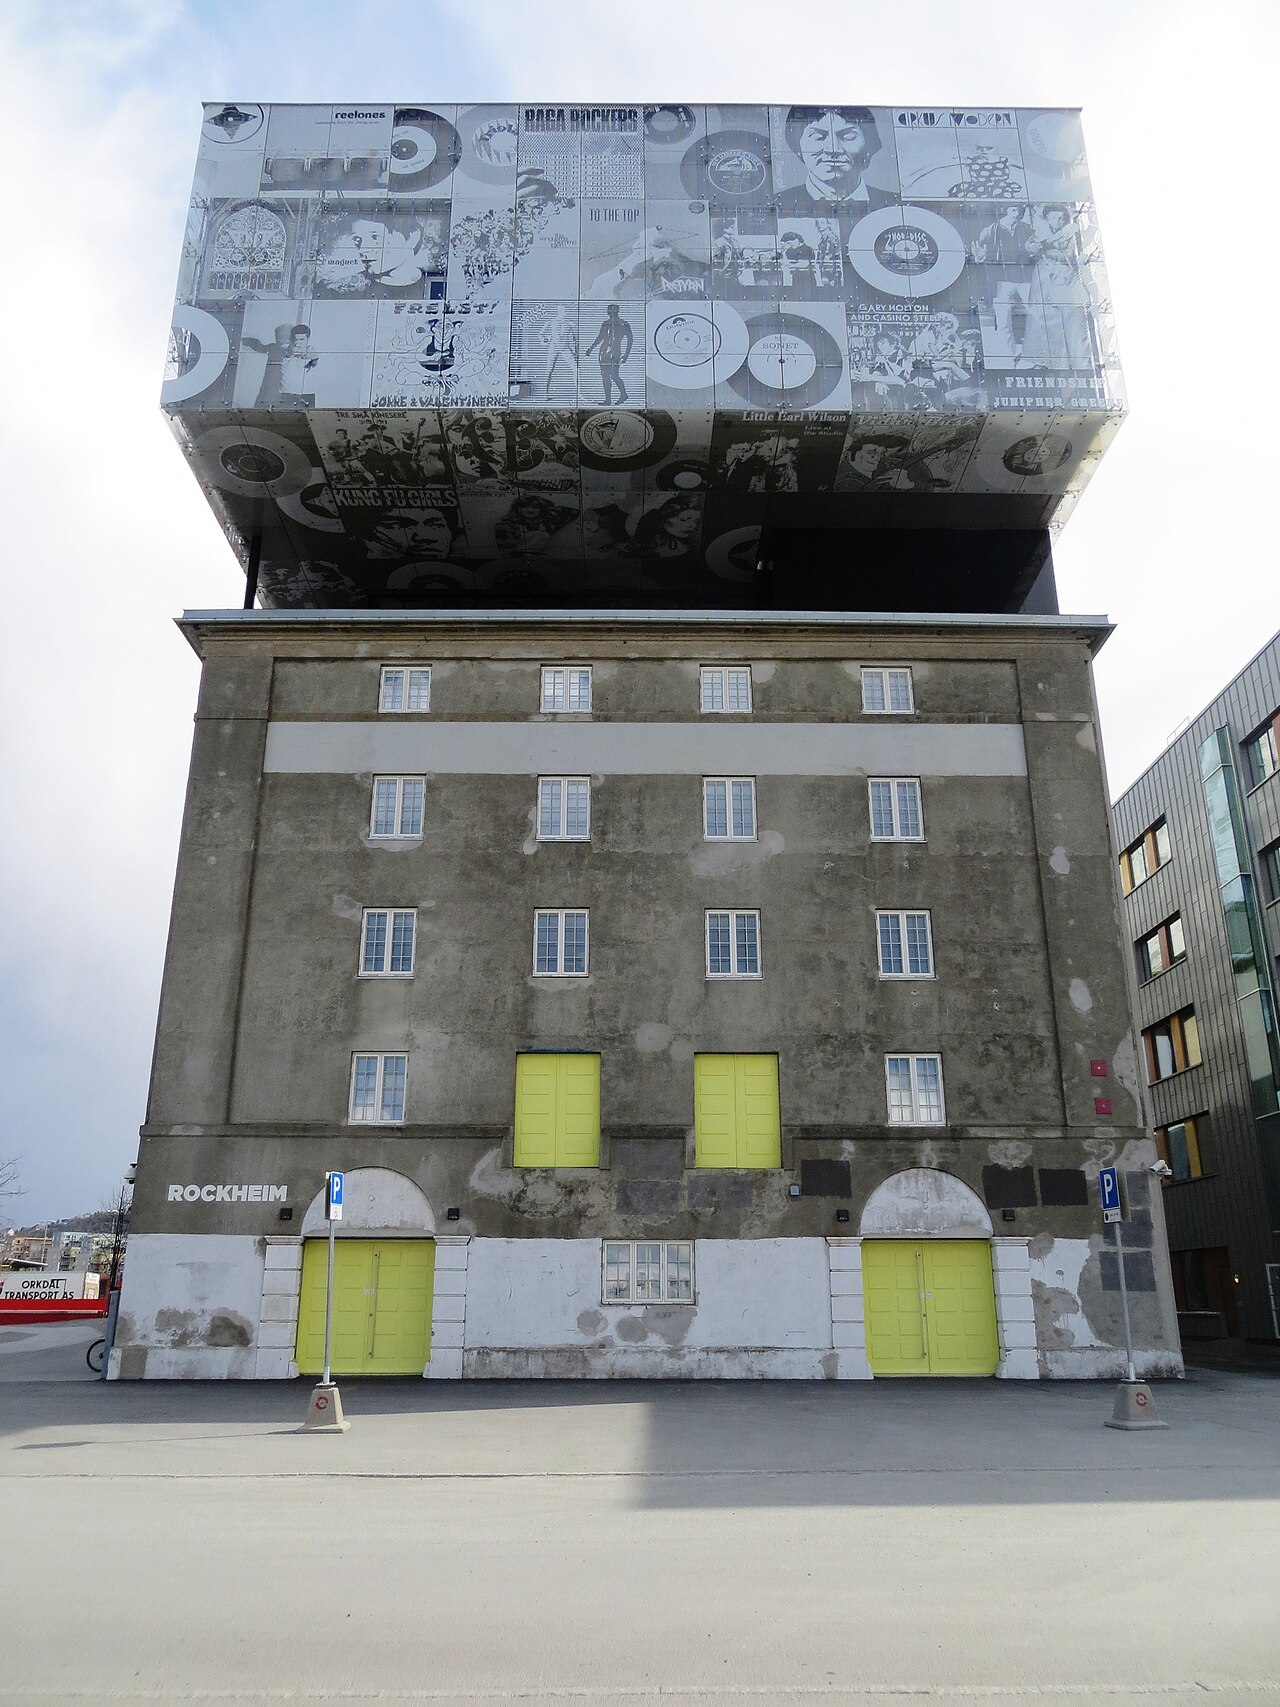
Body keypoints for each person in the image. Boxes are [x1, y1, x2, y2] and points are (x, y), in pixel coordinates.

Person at [775, 107, 894, 215]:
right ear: (798, 147)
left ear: (869, 145)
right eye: (818, 137)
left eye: (848, 137)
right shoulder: (777, 205)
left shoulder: (893, 206)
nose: (833, 149)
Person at [240, 323, 317, 409]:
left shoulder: (313, 350)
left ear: (307, 339)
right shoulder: (284, 348)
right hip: (287, 394)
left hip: (307, 394)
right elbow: (287, 351)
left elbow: (314, 355)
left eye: (301, 339)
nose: (298, 342)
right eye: (296, 339)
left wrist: (310, 356)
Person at [585, 305, 633, 404]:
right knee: (605, 376)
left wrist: (626, 355)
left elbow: (630, 340)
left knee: (614, 376)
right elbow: (600, 338)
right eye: (609, 311)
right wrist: (591, 348)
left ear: (617, 311)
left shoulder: (624, 324)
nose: (611, 313)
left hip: (615, 352)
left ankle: (623, 394)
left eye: (613, 311)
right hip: (603, 352)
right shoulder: (605, 323)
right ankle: (608, 400)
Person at [539, 305, 578, 398]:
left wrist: (575, 352)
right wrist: (545, 339)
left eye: (566, 311)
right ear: (559, 311)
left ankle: (579, 394)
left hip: (565, 348)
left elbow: (575, 339)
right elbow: (540, 334)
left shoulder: (570, 324)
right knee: (549, 369)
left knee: (576, 369)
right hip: (554, 347)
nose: (566, 313)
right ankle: (545, 394)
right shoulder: (551, 322)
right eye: (564, 311)